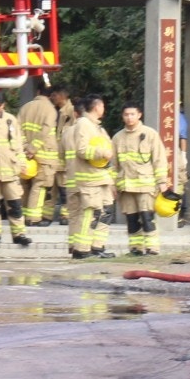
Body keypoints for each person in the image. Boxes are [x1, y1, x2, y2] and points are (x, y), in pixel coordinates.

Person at [113, 103, 170, 257]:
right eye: (126, 114)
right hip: (125, 186)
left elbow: (159, 159)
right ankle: (135, 248)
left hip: (146, 185)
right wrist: (113, 185)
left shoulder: (150, 134)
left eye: (132, 114)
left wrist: (162, 183)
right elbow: (113, 165)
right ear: (122, 116)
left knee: (147, 217)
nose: (129, 117)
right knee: (131, 219)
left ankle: (152, 248)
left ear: (139, 115)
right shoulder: (118, 137)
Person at [66, 95, 115, 258]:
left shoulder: (98, 127)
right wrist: (102, 153)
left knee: (106, 211)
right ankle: (81, 249)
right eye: (102, 106)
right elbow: (82, 150)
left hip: (102, 178)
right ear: (97, 107)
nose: (104, 109)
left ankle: (97, 247)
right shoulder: (83, 124)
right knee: (90, 213)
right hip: (89, 179)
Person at [0, 88, 30, 247]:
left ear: (4, 105)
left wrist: (22, 163)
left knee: (15, 204)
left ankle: (19, 234)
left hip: (10, 170)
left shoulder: (11, 120)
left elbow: (18, 145)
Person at [19, 83, 64, 229]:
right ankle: (33, 218)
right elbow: (45, 131)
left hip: (25, 155)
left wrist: (26, 147)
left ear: (37, 91)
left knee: (26, 185)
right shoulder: (51, 110)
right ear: (50, 95)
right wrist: (33, 148)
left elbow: (17, 130)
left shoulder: (25, 108)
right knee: (40, 185)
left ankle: (25, 216)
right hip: (45, 154)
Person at [39, 85, 77, 226]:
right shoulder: (54, 111)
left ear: (63, 95)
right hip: (52, 156)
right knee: (50, 188)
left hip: (65, 158)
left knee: (64, 188)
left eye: (54, 95)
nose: (52, 98)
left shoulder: (72, 112)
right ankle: (46, 216)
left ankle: (66, 215)